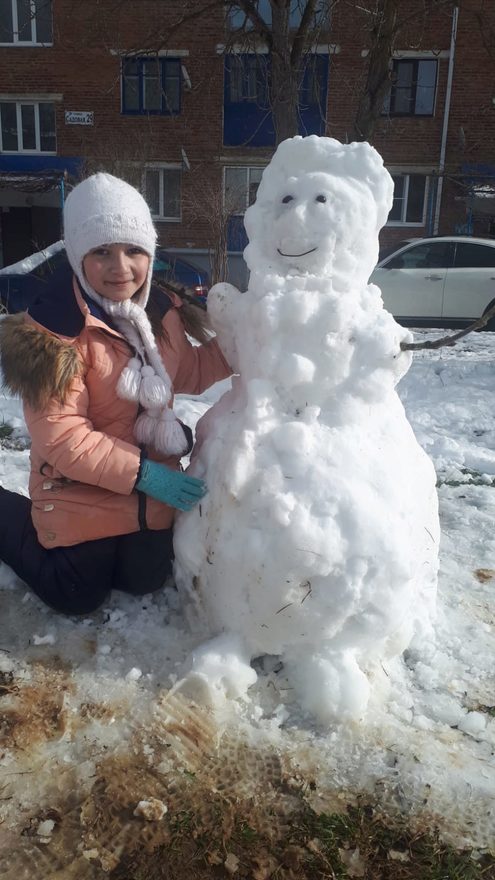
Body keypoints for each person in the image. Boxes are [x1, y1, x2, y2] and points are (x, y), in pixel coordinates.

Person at [0, 172, 231, 615]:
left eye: (134, 251)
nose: (120, 267)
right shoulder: (56, 332)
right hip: (78, 488)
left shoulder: (162, 313)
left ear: (151, 253)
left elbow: (193, 370)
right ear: (77, 256)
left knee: (146, 580)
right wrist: (147, 475)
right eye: (101, 252)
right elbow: (63, 438)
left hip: (145, 500)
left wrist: (250, 341)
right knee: (76, 593)